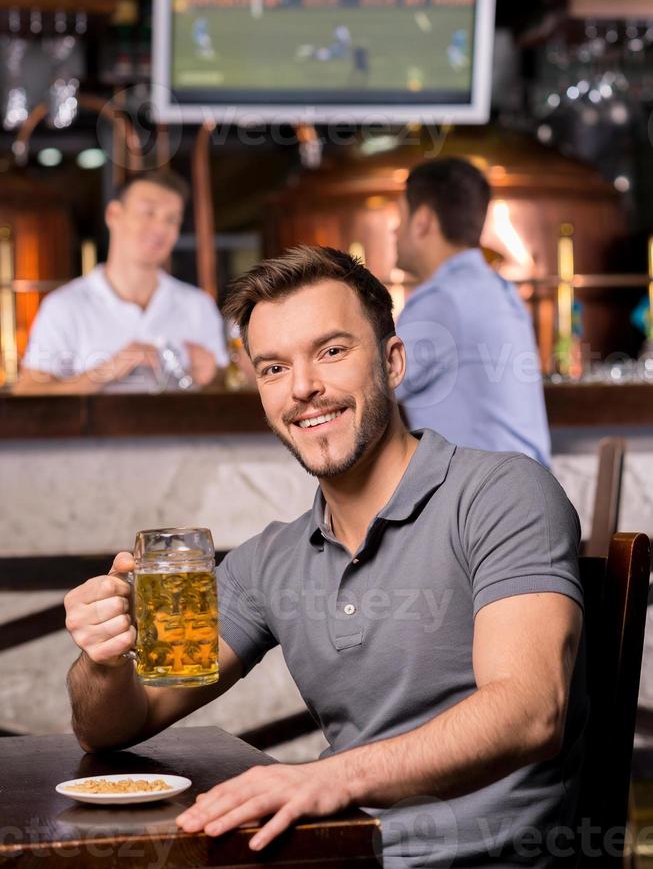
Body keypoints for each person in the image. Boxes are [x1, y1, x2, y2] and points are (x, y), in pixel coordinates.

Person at [64, 246, 586, 867]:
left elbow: (530, 711)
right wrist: (104, 658)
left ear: (393, 362)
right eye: (273, 368)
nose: (304, 388)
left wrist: (325, 779)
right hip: (338, 855)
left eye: (332, 352)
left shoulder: (500, 492)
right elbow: (116, 725)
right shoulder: (270, 560)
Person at [394, 157, 551, 466]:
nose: (394, 231)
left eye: (399, 218)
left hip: (491, 506)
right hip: (528, 496)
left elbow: (370, 386)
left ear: (423, 220)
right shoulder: (499, 291)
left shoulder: (443, 300)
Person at [14, 170, 228, 394]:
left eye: (171, 219)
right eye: (148, 213)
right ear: (114, 214)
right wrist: (109, 369)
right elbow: (26, 392)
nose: (160, 228)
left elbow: (226, 391)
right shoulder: (64, 306)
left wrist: (210, 378)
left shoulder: (198, 305)